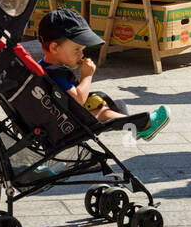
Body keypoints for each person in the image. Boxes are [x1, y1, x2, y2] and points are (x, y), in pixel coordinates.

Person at [37, 9, 170, 141]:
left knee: (102, 103)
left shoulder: (42, 67)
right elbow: (77, 101)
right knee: (102, 112)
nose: (81, 55)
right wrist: (87, 76)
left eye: (82, 50)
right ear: (54, 48)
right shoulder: (55, 75)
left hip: (59, 116)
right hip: (68, 124)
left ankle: (135, 126)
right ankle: (144, 126)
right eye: (77, 49)